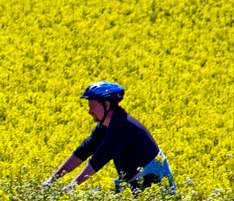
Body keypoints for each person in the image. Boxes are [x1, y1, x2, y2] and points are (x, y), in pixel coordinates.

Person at [42, 81, 175, 192]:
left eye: (92, 107)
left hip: (153, 185)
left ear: (106, 105)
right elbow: (85, 149)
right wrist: (52, 180)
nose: (89, 111)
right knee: (91, 199)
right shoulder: (106, 125)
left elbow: (100, 158)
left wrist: (71, 187)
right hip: (132, 182)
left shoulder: (123, 125)